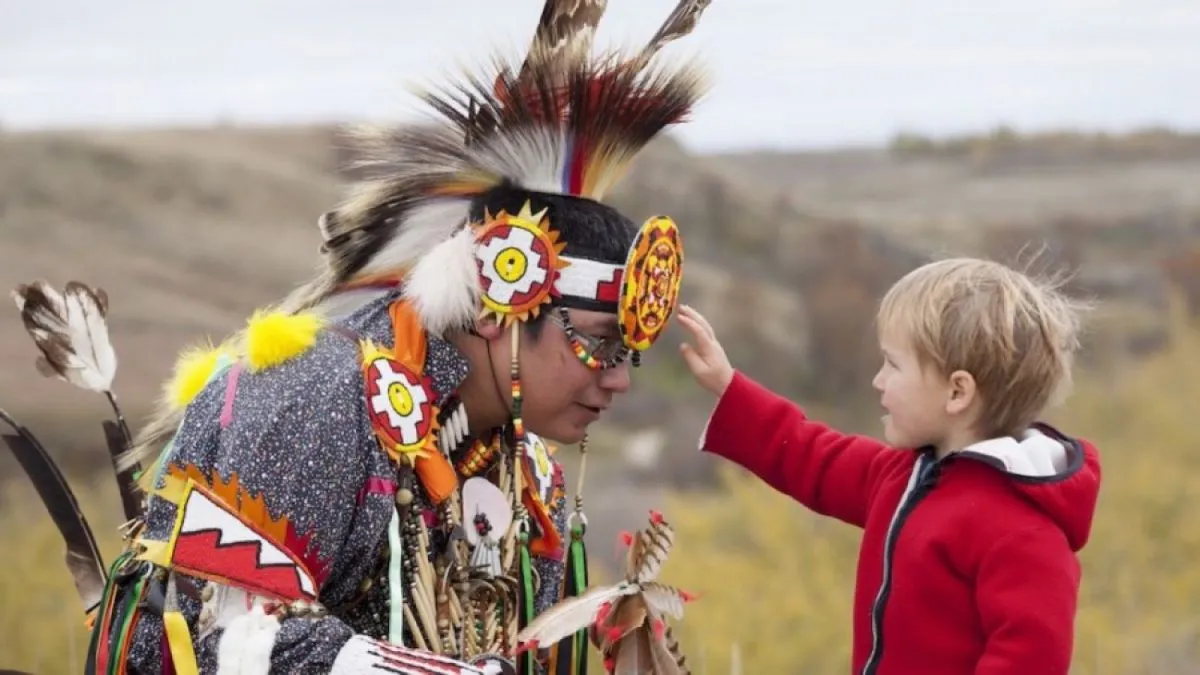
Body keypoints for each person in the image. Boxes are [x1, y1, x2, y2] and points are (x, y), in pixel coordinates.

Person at [3, 2, 712, 673]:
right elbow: (219, 636)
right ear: (497, 307)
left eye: (631, 355)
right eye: (600, 344)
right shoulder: (311, 399)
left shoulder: (529, 478)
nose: (619, 378)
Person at [677, 257, 1102, 675]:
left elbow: (1031, 660)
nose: (878, 381)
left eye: (893, 365)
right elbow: (812, 455)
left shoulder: (1023, 534)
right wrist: (728, 386)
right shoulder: (905, 476)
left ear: (957, 392)